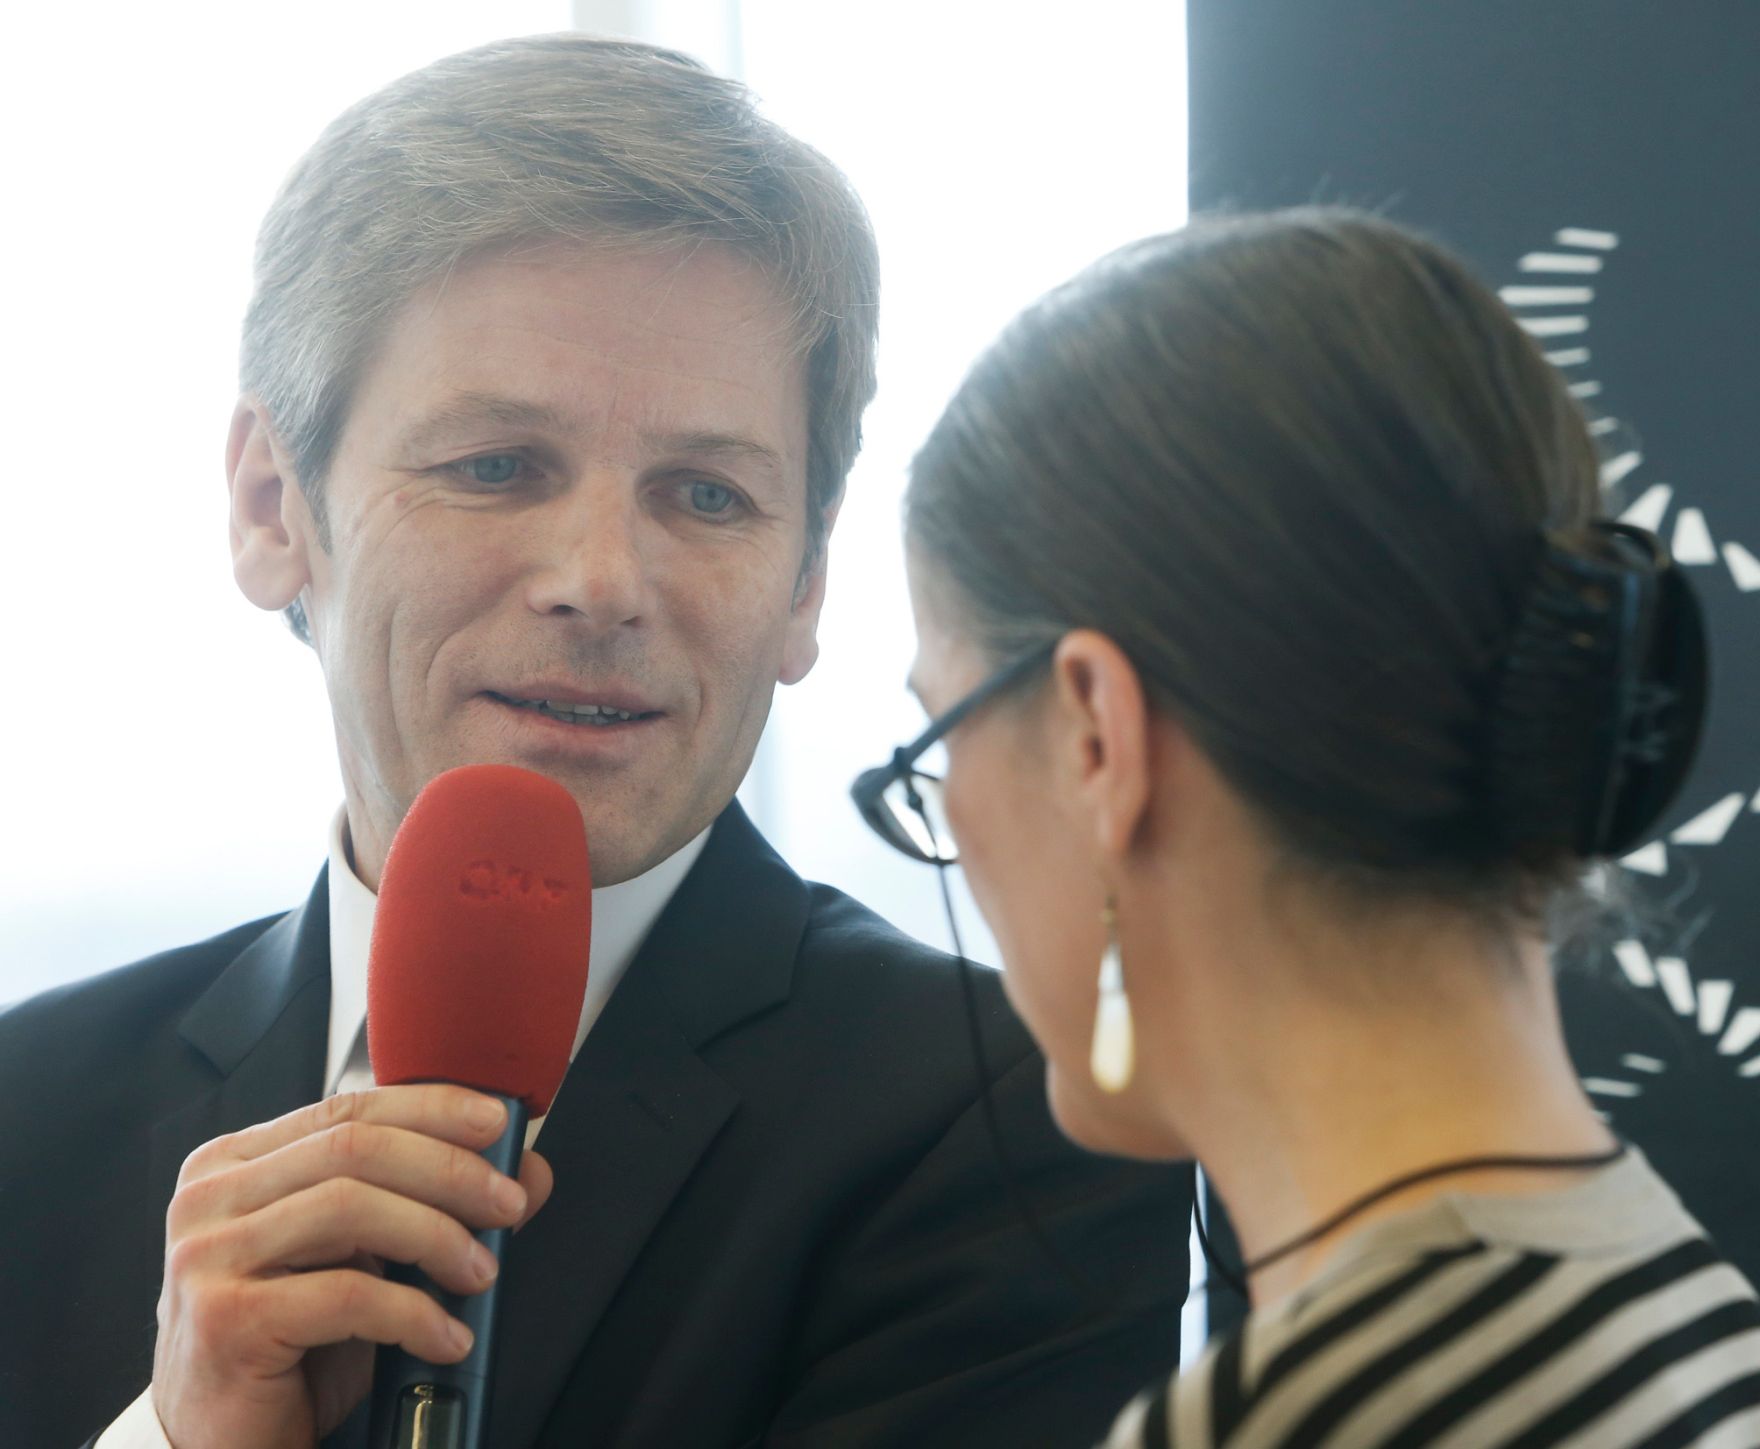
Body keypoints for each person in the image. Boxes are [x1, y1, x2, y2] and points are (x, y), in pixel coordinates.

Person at [0, 35, 1192, 1449]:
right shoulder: (34, 1109)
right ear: (273, 508)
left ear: (806, 583)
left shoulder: (1010, 1120)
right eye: (497, 467)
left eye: (707, 493)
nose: (602, 580)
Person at [859, 208, 1760, 1446]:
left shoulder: (1293, 1421)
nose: (950, 806)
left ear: (1091, 738)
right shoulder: (1682, 1305)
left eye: (941, 734)